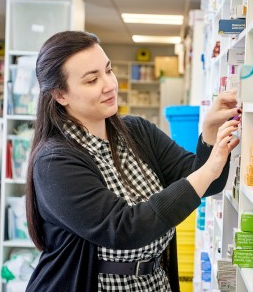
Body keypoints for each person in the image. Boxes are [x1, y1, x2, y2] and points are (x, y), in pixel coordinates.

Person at [25, 30, 241, 292]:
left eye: (109, 70)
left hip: (153, 283)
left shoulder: (136, 131)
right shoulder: (54, 162)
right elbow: (125, 228)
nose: (109, 85)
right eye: (92, 80)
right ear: (60, 95)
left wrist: (209, 132)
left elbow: (210, 181)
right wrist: (208, 170)